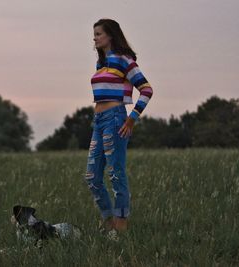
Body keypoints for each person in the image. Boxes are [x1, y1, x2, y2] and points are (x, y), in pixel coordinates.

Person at [84, 18, 153, 236]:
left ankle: (120, 227)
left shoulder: (124, 60)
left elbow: (146, 89)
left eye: (98, 34)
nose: (94, 38)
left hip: (116, 120)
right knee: (92, 177)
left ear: (110, 35)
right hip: (99, 121)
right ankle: (108, 223)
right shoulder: (101, 63)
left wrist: (132, 118)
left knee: (116, 174)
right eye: (93, 34)